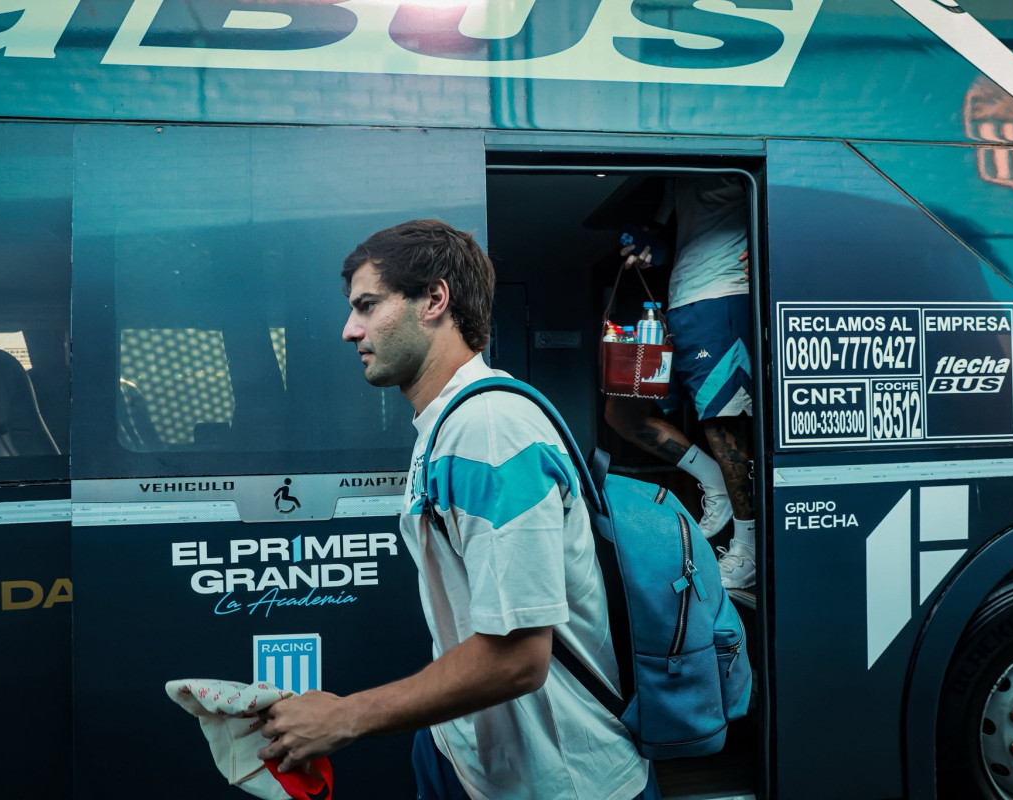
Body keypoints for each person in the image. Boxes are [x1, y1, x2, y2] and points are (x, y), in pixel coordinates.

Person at [258, 219, 655, 799]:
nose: (350, 330)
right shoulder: (448, 424)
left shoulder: (488, 429)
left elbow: (518, 658)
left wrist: (345, 717)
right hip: (468, 756)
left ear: (434, 300)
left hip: (556, 780)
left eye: (367, 305)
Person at [604, 174, 757, 590]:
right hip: (679, 300)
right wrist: (645, 248)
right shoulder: (677, 175)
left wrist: (770, 245)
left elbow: (786, 189)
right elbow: (665, 234)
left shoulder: (734, 152)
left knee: (723, 422)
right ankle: (714, 482)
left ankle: (749, 550)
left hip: (724, 294)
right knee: (622, 412)